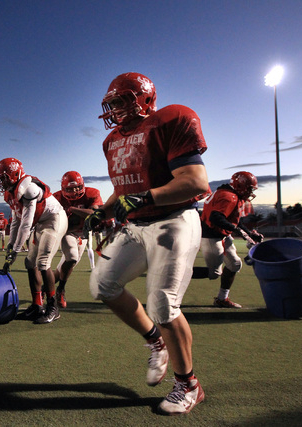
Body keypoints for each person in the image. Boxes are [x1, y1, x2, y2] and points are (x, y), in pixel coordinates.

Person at [84, 72, 210, 415]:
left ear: (144, 98)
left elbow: (196, 182)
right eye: (112, 103)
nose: (114, 109)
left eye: (122, 100)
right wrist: (103, 211)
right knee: (102, 284)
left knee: (162, 302)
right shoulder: (111, 141)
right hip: (137, 225)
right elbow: (123, 189)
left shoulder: (172, 118)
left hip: (174, 219)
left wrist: (145, 197)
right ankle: (156, 341)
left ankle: (189, 385)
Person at [0, 157, 68, 324]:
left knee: (43, 263)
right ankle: (37, 306)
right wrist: (10, 246)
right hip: (41, 222)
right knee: (30, 263)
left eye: (4, 177)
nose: (1, 181)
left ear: (14, 173)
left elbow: (26, 224)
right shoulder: (11, 193)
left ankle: (53, 307)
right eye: (0, 178)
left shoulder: (28, 189)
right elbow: (16, 221)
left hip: (54, 219)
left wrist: (16, 250)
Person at [192, 172, 263, 308]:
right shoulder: (228, 196)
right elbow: (216, 217)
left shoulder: (233, 195)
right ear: (239, 185)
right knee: (214, 273)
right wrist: (237, 230)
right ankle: (175, 273)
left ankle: (221, 299)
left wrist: (248, 233)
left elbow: (234, 220)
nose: (250, 192)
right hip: (211, 235)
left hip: (221, 234)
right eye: (248, 188)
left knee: (235, 264)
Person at [52, 171, 103, 308]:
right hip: (67, 232)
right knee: (72, 257)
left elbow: (94, 214)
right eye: (69, 189)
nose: (74, 191)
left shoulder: (91, 193)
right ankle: (60, 290)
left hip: (83, 235)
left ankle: (46, 289)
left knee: (61, 269)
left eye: (77, 187)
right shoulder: (56, 197)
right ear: (63, 189)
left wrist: (72, 209)